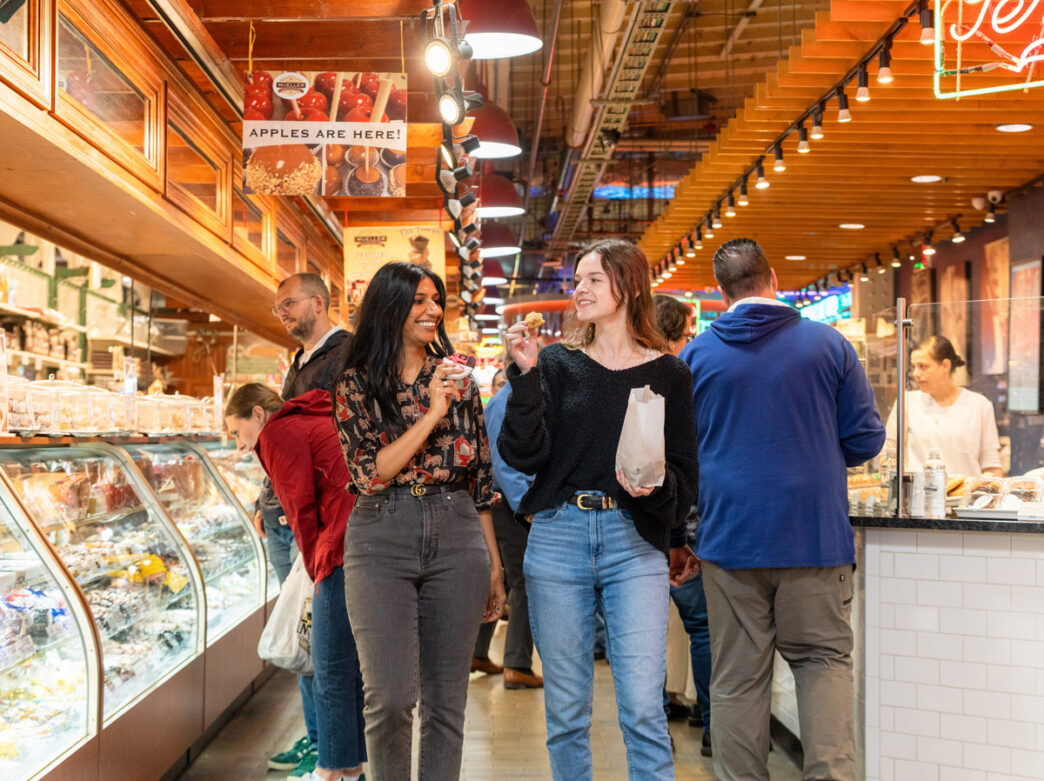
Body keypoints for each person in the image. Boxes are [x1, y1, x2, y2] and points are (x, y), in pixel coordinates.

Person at [679, 238, 885, 781]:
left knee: (737, 682)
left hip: (728, 539)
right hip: (814, 535)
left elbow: (676, 452)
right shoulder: (828, 345)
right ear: (774, 278)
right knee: (822, 666)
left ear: (721, 292)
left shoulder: (695, 356)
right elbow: (865, 440)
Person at [500, 238, 699, 780]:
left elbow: (685, 475)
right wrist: (524, 378)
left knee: (642, 707)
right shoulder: (558, 363)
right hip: (559, 535)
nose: (578, 290)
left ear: (629, 287)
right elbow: (524, 454)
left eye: (592, 279)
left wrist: (654, 491)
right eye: (577, 280)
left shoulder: (670, 374)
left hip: (634, 543)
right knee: (566, 712)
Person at [332, 261, 505, 781]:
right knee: (388, 699)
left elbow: (479, 479)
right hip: (381, 534)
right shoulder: (356, 383)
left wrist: (494, 564)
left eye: (437, 300)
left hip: (457, 532)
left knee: (447, 704)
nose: (433, 311)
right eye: (420, 301)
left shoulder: (460, 380)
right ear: (390, 308)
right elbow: (370, 472)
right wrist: (431, 412)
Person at [225, 384, 366, 781]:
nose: (240, 445)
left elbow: (300, 506)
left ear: (257, 414)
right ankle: (352, 768)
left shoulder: (277, 433)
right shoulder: (308, 416)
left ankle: (329, 772)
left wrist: (312, 565)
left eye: (238, 432)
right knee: (346, 668)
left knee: (329, 667)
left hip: (337, 547)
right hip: (358, 537)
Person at [258, 273, 353, 778]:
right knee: (303, 634)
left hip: (319, 523)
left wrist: (312, 525)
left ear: (319, 302)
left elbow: (336, 446)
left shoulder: (344, 356)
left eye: (288, 304)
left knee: (323, 642)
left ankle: (330, 747)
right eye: (277, 309)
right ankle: (318, 737)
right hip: (291, 516)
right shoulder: (301, 361)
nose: (283, 314)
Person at [653, 294, 713, 758]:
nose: (691, 340)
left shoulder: (624, 377)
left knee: (641, 633)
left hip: (633, 531)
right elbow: (686, 463)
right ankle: (711, 724)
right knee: (702, 626)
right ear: (672, 336)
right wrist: (681, 536)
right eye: (687, 333)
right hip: (675, 530)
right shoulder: (680, 381)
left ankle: (654, 731)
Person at [471, 367, 543, 689]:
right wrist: (526, 508)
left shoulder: (508, 399)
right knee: (526, 582)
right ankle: (517, 665)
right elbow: (501, 463)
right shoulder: (507, 401)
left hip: (499, 504)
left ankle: (478, 651)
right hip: (508, 506)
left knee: (501, 578)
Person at [884, 335, 1002, 477]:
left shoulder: (979, 405)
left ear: (945, 366)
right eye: (913, 367)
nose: (916, 374)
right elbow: (888, 455)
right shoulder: (906, 402)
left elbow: (991, 466)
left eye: (923, 366)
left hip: (965, 497)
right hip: (917, 496)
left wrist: (983, 492)